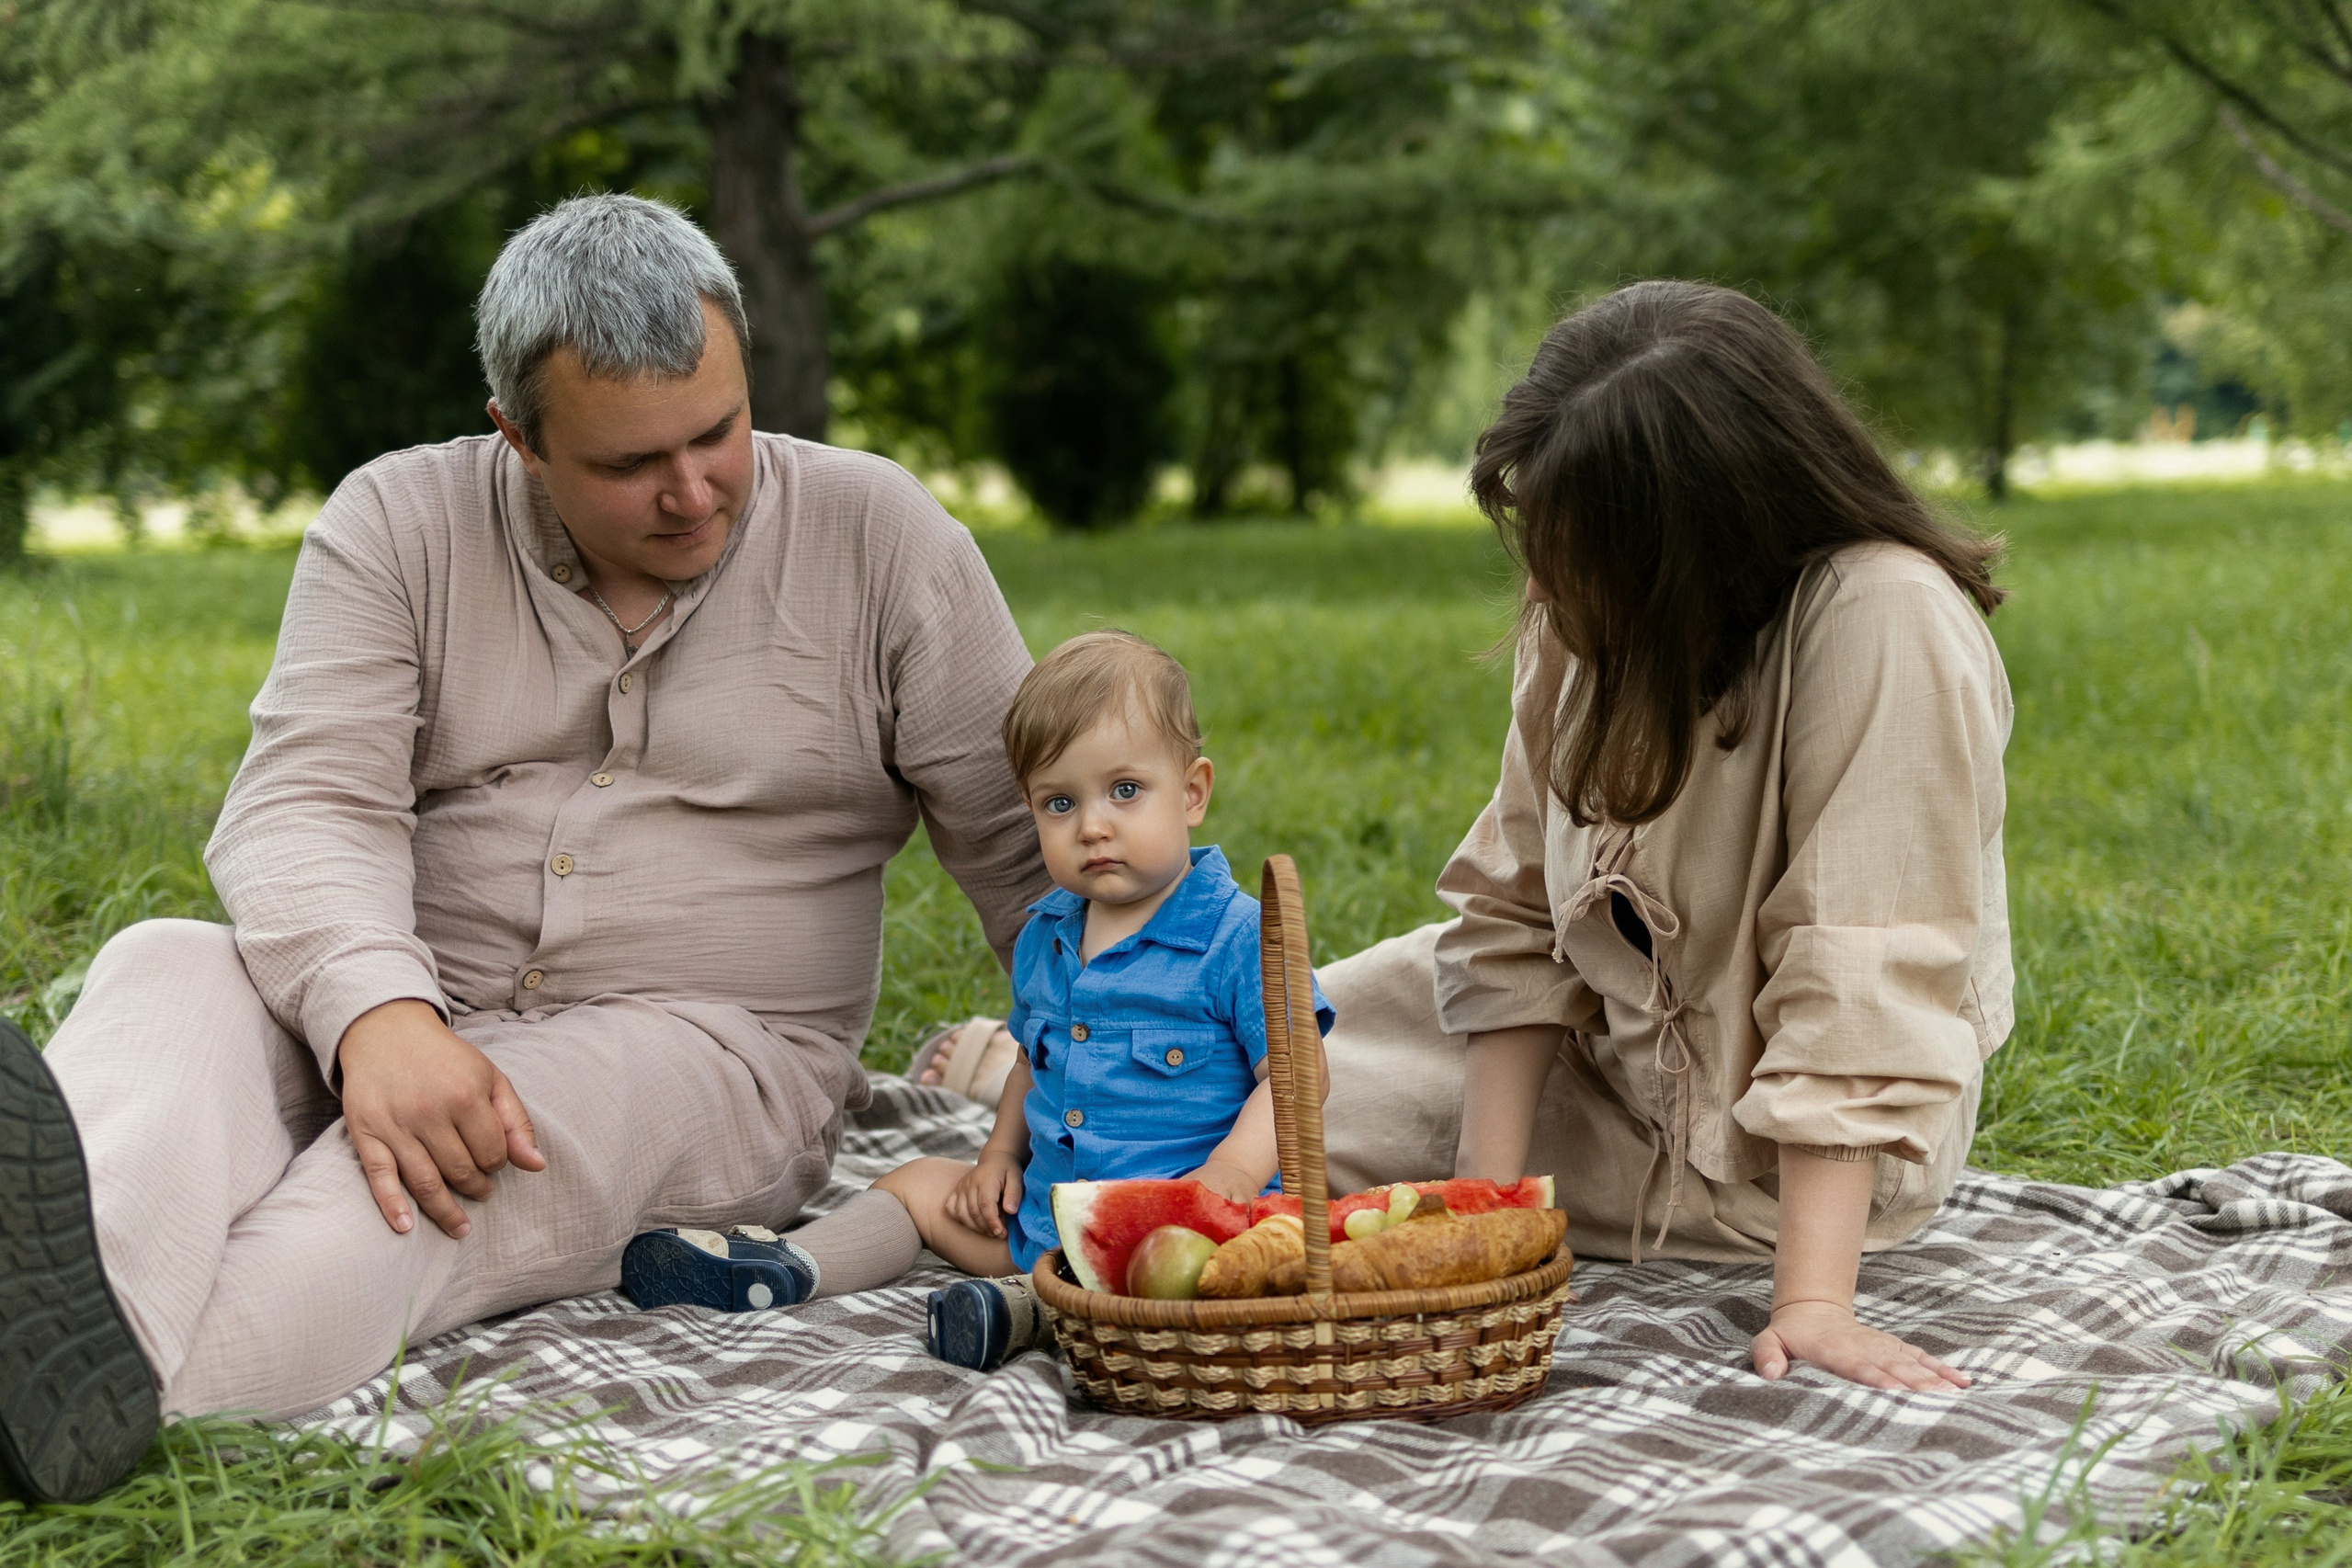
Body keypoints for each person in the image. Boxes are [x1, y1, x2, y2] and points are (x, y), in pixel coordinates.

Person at [0, 193, 1046, 1503]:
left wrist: (1096, 1044)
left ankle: (108, 1388)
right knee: (164, 968)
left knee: (416, 1193)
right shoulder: (397, 523)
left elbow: (1036, 844)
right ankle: (51, 1330)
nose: (691, 490)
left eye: (716, 433)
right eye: (627, 464)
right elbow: (306, 800)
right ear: (517, 437)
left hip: (706, 1045)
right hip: (398, 988)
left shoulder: (881, 539)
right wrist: (378, 1014)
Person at [1313, 280, 2013, 1392]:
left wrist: (1813, 1303)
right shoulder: (1590, 613)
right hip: (1606, 1037)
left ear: (1697, 541)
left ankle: (1057, 1072)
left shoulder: (1883, 618)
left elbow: (1861, 982)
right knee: (1265, 1031)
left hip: (1768, 1160)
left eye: (1571, 551)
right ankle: (1040, 1050)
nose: (1537, 584)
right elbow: (1510, 915)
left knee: (1278, 1133)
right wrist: (1480, 1213)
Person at [619, 631, 1333, 1369]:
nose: (1093, 824)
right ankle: (787, 1268)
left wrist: (1230, 1176)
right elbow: (1034, 1059)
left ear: (1191, 792)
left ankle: (1028, 1312)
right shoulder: (1049, 935)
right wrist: (998, 1156)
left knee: (1195, 1286)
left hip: (1193, 1232)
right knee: (919, 1183)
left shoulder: (1239, 936)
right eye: (1061, 802)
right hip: (1046, 1221)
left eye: (1125, 790)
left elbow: (1299, 1072)